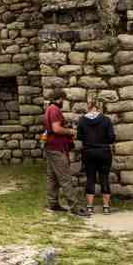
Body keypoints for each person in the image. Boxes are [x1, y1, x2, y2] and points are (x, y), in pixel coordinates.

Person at [43, 89, 88, 217]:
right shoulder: (55, 110)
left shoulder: (49, 109)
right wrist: (70, 131)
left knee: (53, 177)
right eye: (63, 99)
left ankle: (53, 203)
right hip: (57, 147)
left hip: (51, 147)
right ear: (60, 98)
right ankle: (74, 206)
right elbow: (56, 129)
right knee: (65, 177)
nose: (64, 102)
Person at [77, 98, 116, 215]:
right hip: (104, 152)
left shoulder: (82, 120)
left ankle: (89, 207)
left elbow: (79, 136)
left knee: (90, 179)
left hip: (88, 152)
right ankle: (106, 207)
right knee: (104, 178)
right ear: (99, 107)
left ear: (88, 107)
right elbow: (111, 138)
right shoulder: (106, 120)